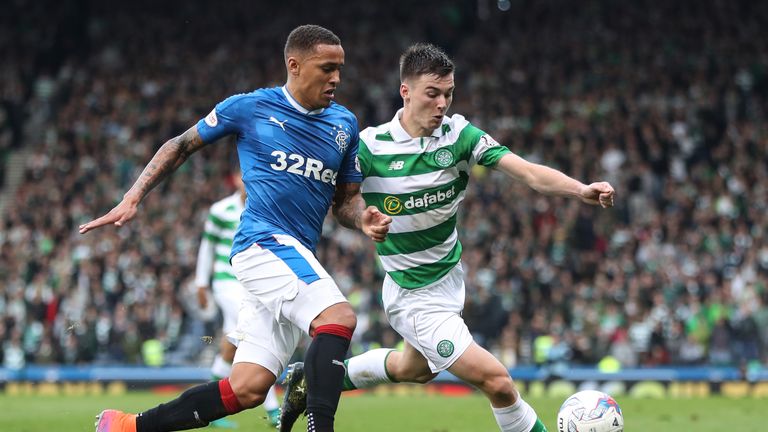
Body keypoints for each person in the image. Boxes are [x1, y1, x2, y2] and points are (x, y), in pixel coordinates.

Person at [280, 43, 616, 432]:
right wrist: (363, 222)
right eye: (433, 93)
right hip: (413, 295)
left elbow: (526, 172)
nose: (443, 104)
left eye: (449, 94)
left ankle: (311, 379)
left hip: (449, 279)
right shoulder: (370, 146)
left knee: (413, 369)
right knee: (498, 382)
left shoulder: (459, 136)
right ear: (405, 91)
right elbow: (342, 204)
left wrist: (580, 190)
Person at [83, 24, 391, 432]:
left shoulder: (345, 125)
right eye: (326, 68)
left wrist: (363, 217)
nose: (336, 78)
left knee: (247, 389)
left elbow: (345, 201)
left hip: (293, 253)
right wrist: (134, 195)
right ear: (294, 65)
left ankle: (126, 426)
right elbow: (180, 144)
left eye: (340, 68)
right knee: (338, 317)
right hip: (260, 243)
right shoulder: (250, 108)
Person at [193, 172, 280, 428]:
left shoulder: (262, 208)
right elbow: (207, 246)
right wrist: (201, 282)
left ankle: (206, 404)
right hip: (225, 282)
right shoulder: (221, 210)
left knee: (232, 344)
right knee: (254, 332)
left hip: (251, 284)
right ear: (237, 180)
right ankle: (274, 410)